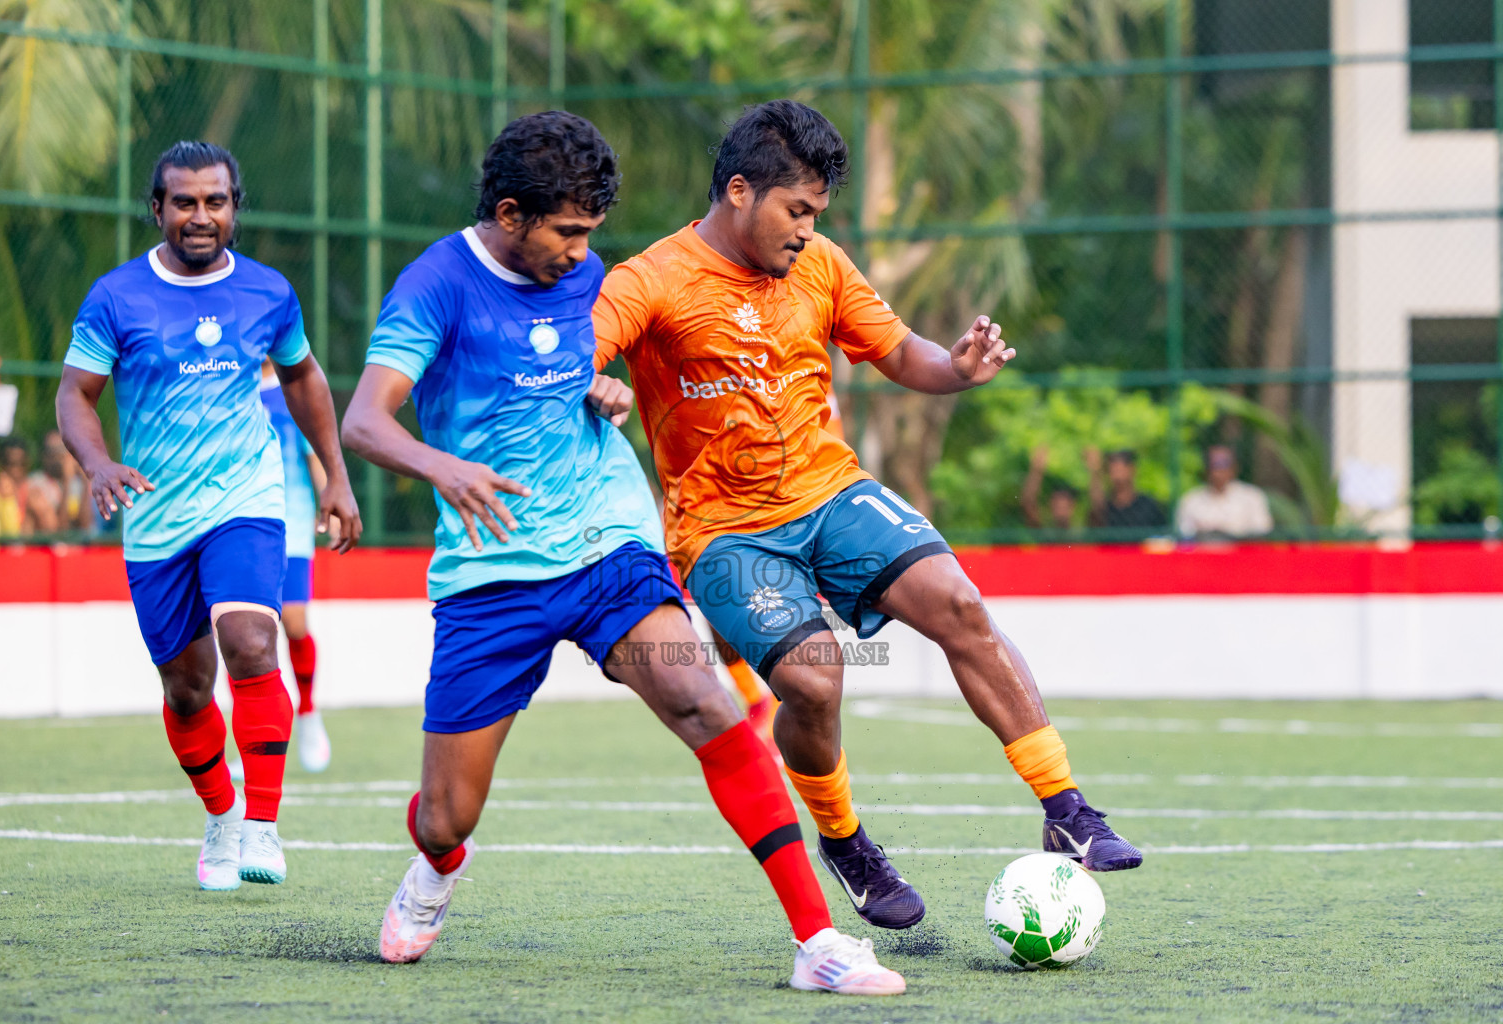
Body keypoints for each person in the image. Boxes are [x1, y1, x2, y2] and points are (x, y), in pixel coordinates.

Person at [342, 112, 902, 994]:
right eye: (567, 232)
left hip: (609, 542)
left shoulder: (588, 273)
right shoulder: (434, 286)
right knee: (447, 817)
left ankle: (819, 942)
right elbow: (364, 420)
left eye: (591, 234)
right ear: (512, 214)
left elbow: (597, 363)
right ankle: (438, 866)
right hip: (492, 573)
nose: (581, 253)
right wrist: (444, 467)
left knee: (705, 703)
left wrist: (605, 390)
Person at [594, 99, 1143, 932]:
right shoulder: (649, 280)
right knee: (813, 680)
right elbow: (576, 359)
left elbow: (898, 353)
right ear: (739, 191)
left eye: (818, 213)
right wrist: (597, 386)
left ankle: (1065, 806)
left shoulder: (819, 265)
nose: (808, 230)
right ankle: (846, 841)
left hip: (831, 494)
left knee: (958, 602)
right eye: (797, 210)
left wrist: (955, 367)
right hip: (725, 531)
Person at [55, 141, 361, 892]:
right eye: (184, 202)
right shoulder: (116, 297)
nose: (201, 216)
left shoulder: (268, 292)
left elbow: (303, 377)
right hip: (155, 516)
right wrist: (97, 464)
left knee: (253, 639)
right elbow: (75, 394)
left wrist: (337, 478)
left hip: (246, 497)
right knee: (188, 688)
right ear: (157, 209)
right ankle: (220, 815)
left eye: (215, 201)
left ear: (234, 207)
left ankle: (261, 826)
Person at [229, 362, 332, 776]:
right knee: (239, 629)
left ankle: (307, 714)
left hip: (290, 519)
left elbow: (317, 453)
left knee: (293, 621)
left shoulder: (296, 385)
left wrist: (330, 497)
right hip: (238, 522)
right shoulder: (230, 384)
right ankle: (250, 741)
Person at [1177, 444, 1273, 538]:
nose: (1219, 471)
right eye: (1215, 465)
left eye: (1224, 464)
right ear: (1206, 469)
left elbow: (1262, 533)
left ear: (1234, 467)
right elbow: (1185, 536)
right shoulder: (1191, 500)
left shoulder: (1252, 497)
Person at [1087, 448, 1168, 531]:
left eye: (1120, 469)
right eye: (1113, 470)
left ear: (1132, 469)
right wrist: (1095, 473)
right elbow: (1097, 514)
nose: (1117, 475)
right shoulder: (1106, 509)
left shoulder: (1149, 506)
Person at [1019, 446, 1079, 532]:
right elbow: (1028, 503)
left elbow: (1098, 507)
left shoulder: (1082, 532)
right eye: (1057, 506)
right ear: (1051, 506)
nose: (1061, 512)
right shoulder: (1045, 530)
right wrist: (1036, 471)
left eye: (1064, 507)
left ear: (1072, 507)